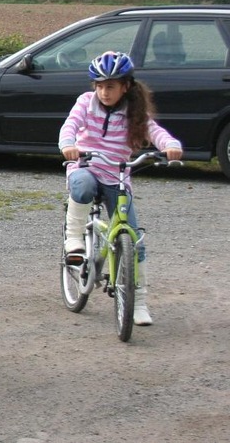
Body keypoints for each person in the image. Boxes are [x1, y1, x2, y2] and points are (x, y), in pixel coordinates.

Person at [59, 51, 182, 326]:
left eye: (111, 86)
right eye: (99, 86)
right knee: (81, 184)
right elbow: (70, 126)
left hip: (117, 176)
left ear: (125, 86)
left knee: (134, 240)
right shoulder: (85, 103)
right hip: (87, 166)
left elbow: (155, 131)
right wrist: (69, 145)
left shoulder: (134, 111)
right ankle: (74, 240)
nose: (104, 91)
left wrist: (170, 146)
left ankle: (138, 303)